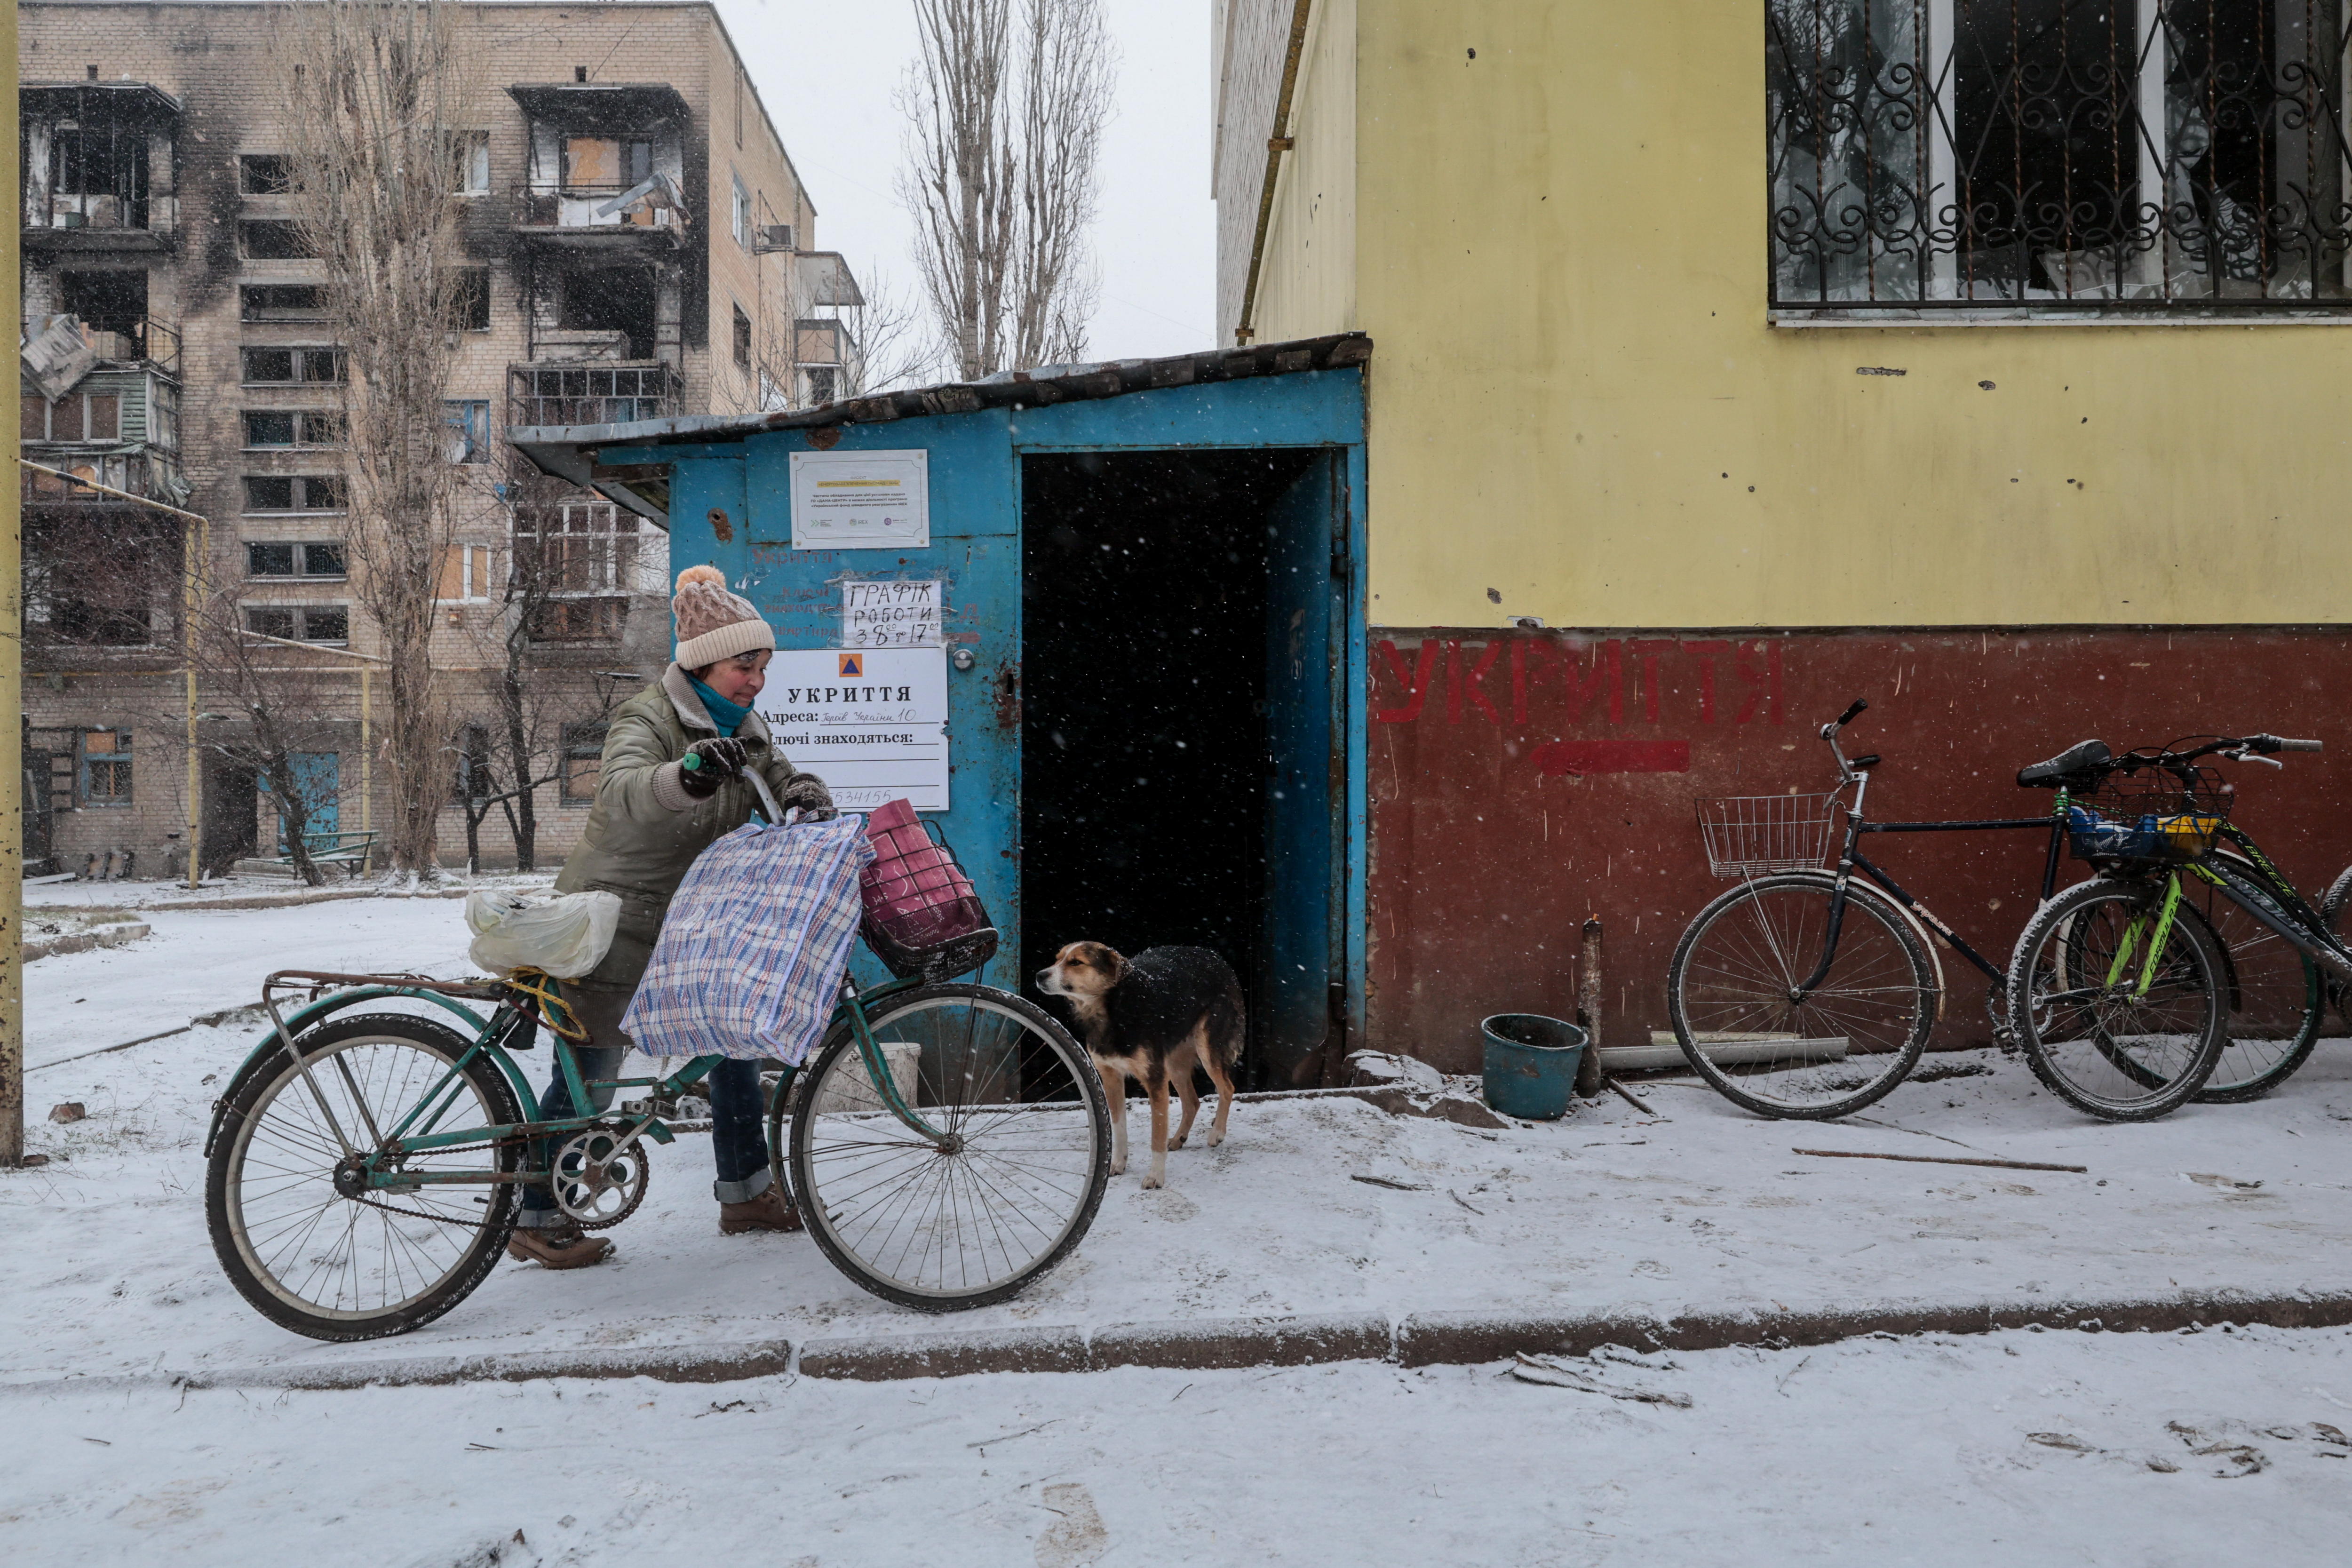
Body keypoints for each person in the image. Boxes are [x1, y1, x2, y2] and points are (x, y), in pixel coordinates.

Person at [508, 565, 835, 1269]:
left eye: (763, 665)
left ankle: (746, 1193)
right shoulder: (648, 717)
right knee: (591, 1067)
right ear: (702, 664)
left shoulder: (743, 723)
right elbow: (625, 789)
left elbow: (775, 774)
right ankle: (536, 1213)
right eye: (745, 665)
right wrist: (685, 774)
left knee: (734, 1044)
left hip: (690, 919)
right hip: (615, 918)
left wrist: (804, 787)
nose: (758, 679)